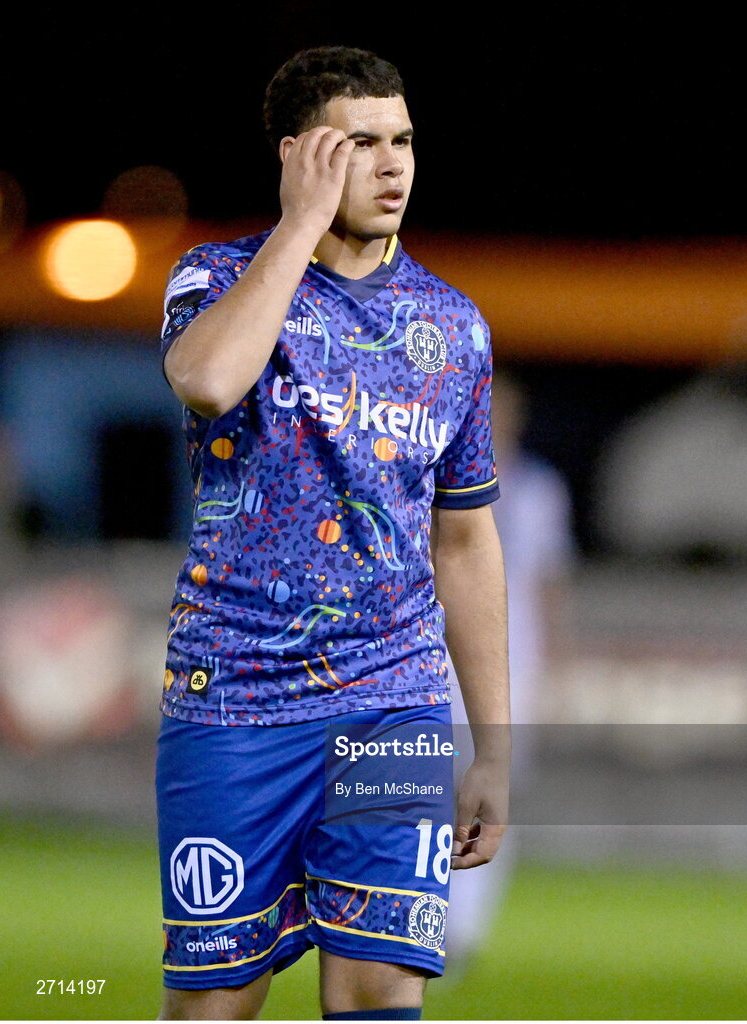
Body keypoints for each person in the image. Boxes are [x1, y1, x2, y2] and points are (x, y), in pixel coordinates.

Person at [155, 45, 510, 1021]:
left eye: (402, 140)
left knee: (378, 991)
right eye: (361, 144)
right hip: (233, 695)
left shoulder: (454, 327)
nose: (394, 165)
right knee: (215, 1001)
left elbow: (467, 541)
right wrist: (302, 223)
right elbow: (209, 379)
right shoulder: (214, 277)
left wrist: (494, 746)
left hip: (393, 699)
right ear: (301, 155)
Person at [444, 368, 575, 967]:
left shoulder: (539, 491)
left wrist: (555, 664)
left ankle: (465, 929)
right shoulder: (439, 479)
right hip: (439, 657)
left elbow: (550, 583)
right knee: (425, 789)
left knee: (495, 794)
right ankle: (421, 912)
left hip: (513, 663)